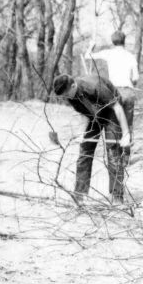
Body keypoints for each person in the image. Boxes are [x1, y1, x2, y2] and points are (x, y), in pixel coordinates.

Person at [52, 73, 132, 204]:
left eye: (66, 95)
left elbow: (117, 107)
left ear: (73, 86)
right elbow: (84, 113)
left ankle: (117, 196)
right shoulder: (70, 95)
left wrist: (126, 133)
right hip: (95, 115)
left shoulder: (94, 87)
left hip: (112, 111)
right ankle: (80, 195)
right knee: (84, 149)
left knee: (113, 152)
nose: (65, 98)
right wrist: (82, 135)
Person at [88, 30, 139, 133]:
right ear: (124, 41)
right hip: (128, 91)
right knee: (127, 124)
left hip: (113, 91)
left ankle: (114, 148)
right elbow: (135, 77)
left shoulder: (109, 53)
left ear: (112, 41)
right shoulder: (131, 56)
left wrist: (91, 46)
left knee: (113, 123)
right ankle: (126, 147)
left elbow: (88, 56)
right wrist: (132, 85)